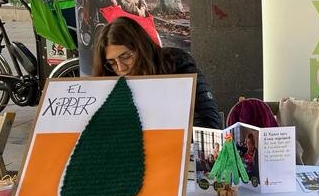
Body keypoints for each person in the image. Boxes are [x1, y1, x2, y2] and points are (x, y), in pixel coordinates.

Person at [92, 17, 223, 129]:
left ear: (142, 48)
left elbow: (208, 123)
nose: (121, 68)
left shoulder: (177, 65)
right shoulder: (110, 79)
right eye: (112, 63)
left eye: (126, 56)